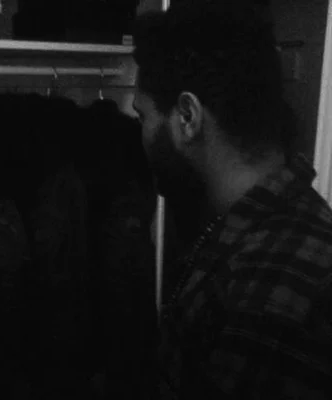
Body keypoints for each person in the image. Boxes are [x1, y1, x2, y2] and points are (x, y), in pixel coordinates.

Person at [132, 1, 332, 399]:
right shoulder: (254, 230)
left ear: (187, 117)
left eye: (143, 117)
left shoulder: (268, 295)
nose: (139, 135)